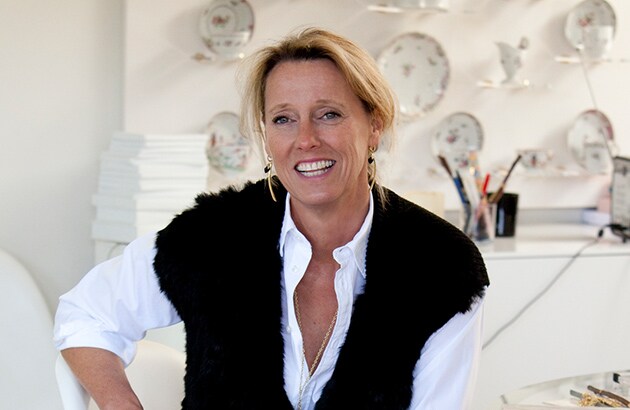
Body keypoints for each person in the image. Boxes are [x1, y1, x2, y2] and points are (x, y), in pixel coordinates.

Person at [54, 26, 489, 410]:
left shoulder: (443, 267)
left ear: (374, 125)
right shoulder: (211, 235)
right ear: (266, 137)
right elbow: (86, 314)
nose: (306, 139)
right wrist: (119, 402)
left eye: (329, 114)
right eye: (284, 119)